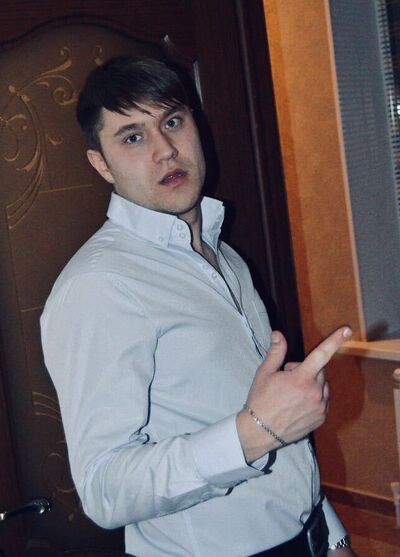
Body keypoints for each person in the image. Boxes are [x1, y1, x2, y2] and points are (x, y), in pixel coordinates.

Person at [40, 56, 355, 557]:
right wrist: (253, 434)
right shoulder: (99, 286)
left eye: (172, 122)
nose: (165, 150)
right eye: (132, 137)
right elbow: (104, 489)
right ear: (101, 164)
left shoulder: (224, 256)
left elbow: (277, 423)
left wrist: (331, 535)